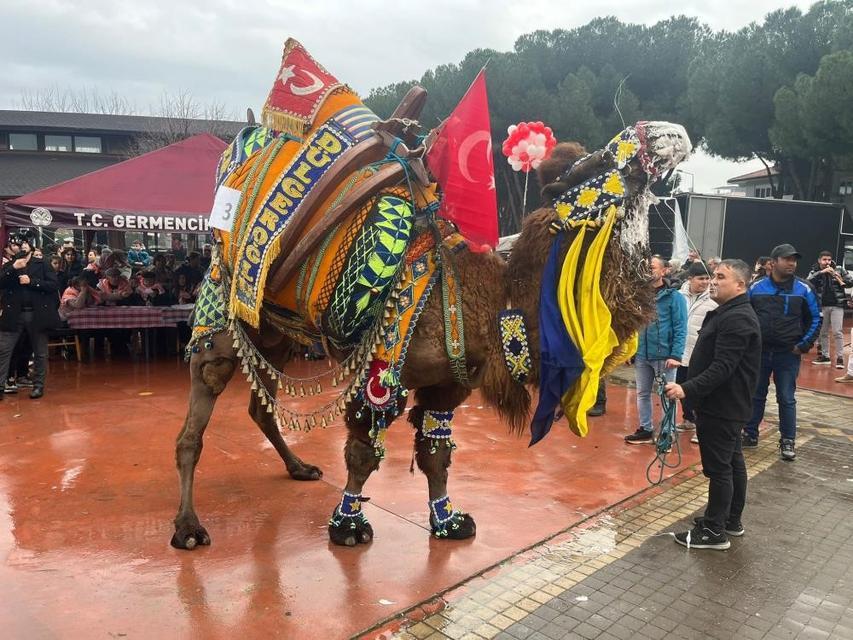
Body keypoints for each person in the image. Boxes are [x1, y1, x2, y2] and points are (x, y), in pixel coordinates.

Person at [665, 259, 761, 550]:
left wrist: (685, 388)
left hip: (722, 406)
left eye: (721, 277)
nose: (713, 281)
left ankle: (714, 531)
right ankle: (730, 520)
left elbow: (723, 367)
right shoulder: (729, 313)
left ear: (740, 285)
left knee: (719, 469)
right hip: (725, 405)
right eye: (713, 276)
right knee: (731, 463)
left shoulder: (738, 318)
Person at [743, 244, 820, 460]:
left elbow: (816, 318)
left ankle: (788, 441)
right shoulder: (756, 288)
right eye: (786, 259)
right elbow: (744, 315)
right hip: (759, 353)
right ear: (773, 263)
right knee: (755, 394)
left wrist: (803, 345)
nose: (792, 263)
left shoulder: (804, 289)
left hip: (788, 354)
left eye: (794, 260)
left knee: (786, 397)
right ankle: (750, 434)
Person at [625, 255, 688, 444]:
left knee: (667, 394)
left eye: (651, 267)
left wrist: (676, 354)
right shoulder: (639, 296)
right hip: (642, 354)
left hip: (665, 356)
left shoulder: (674, 297)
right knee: (642, 393)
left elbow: (680, 327)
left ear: (663, 271)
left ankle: (668, 431)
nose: (647, 271)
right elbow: (632, 325)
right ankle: (646, 428)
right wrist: (631, 350)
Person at [0, 235, 60, 400]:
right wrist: (13, 268)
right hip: (14, 314)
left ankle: (38, 386)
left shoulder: (43, 264)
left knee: (40, 352)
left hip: (37, 314)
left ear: (31, 248)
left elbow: (53, 285)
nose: (20, 247)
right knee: (4, 350)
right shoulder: (9, 265)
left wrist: (32, 281)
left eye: (24, 244)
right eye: (16, 245)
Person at [676, 261, 717, 437]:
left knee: (699, 390)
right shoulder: (678, 296)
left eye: (708, 278)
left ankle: (702, 427)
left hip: (700, 352)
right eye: (701, 278)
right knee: (681, 387)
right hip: (679, 352)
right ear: (690, 278)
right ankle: (688, 419)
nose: (705, 282)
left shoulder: (714, 299)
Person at [808, 251, 852, 368]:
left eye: (828, 260)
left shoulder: (839, 269)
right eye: (824, 260)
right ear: (819, 260)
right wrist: (821, 273)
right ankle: (825, 356)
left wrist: (838, 277)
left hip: (837, 305)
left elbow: (850, 282)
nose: (827, 262)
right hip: (822, 305)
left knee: (838, 332)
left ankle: (840, 358)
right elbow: (808, 282)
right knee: (823, 332)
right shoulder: (815, 270)